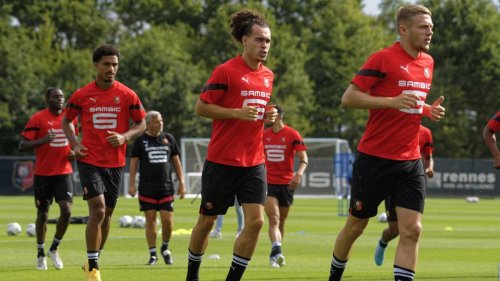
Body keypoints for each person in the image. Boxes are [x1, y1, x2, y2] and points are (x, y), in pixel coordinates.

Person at [327, 4, 445, 281]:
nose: (429, 31)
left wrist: (428, 110)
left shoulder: (427, 62)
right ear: (403, 29)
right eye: (423, 27)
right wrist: (390, 102)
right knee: (356, 227)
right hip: (375, 158)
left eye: (430, 27)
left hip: (410, 161)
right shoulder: (382, 58)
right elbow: (349, 97)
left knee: (412, 229)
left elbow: (410, 100)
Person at [185, 9, 277, 281]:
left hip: (254, 162)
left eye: (268, 41)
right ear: (245, 41)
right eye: (259, 40)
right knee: (206, 221)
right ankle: (192, 275)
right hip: (223, 161)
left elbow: (258, 116)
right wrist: (236, 112)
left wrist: (269, 117)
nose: (264, 46)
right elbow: (201, 107)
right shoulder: (225, 71)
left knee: (257, 222)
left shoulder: (268, 76)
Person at [62, 44, 146, 281]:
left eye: (115, 64)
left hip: (115, 162)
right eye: (107, 64)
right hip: (89, 159)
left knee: (107, 214)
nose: (111, 69)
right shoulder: (81, 95)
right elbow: (67, 121)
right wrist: (74, 144)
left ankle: (92, 258)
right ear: (96, 65)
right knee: (97, 210)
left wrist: (124, 137)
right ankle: (94, 268)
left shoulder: (128, 94)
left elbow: (141, 123)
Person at [19, 87, 77, 271]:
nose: (60, 99)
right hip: (43, 174)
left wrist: (75, 152)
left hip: (64, 172)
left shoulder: (71, 117)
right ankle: (40, 252)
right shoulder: (38, 118)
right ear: (47, 99)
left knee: (67, 211)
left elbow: (77, 139)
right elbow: (22, 145)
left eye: (61, 96)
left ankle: (54, 248)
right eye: (55, 96)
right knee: (42, 213)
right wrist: (43, 140)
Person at [128, 110, 186, 266]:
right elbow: (133, 164)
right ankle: (153, 253)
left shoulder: (169, 139)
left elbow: (176, 162)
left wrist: (182, 183)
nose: (160, 123)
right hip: (147, 188)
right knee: (151, 220)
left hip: (166, 187)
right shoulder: (140, 141)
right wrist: (132, 184)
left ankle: (165, 248)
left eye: (161, 121)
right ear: (148, 123)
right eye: (156, 121)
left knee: (167, 220)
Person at [374, 124, 434, 266]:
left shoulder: (426, 132)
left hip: (412, 180)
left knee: (413, 228)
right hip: (392, 179)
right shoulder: (395, 126)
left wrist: (430, 167)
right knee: (394, 230)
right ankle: (383, 243)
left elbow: (428, 156)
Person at [263, 104, 308, 268]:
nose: (267, 117)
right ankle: (279, 252)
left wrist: (299, 174)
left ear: (279, 116)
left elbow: (304, 158)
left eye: (271, 114)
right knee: (273, 218)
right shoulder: (263, 135)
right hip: (268, 183)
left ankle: (274, 254)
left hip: (287, 184)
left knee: (281, 221)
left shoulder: (292, 134)